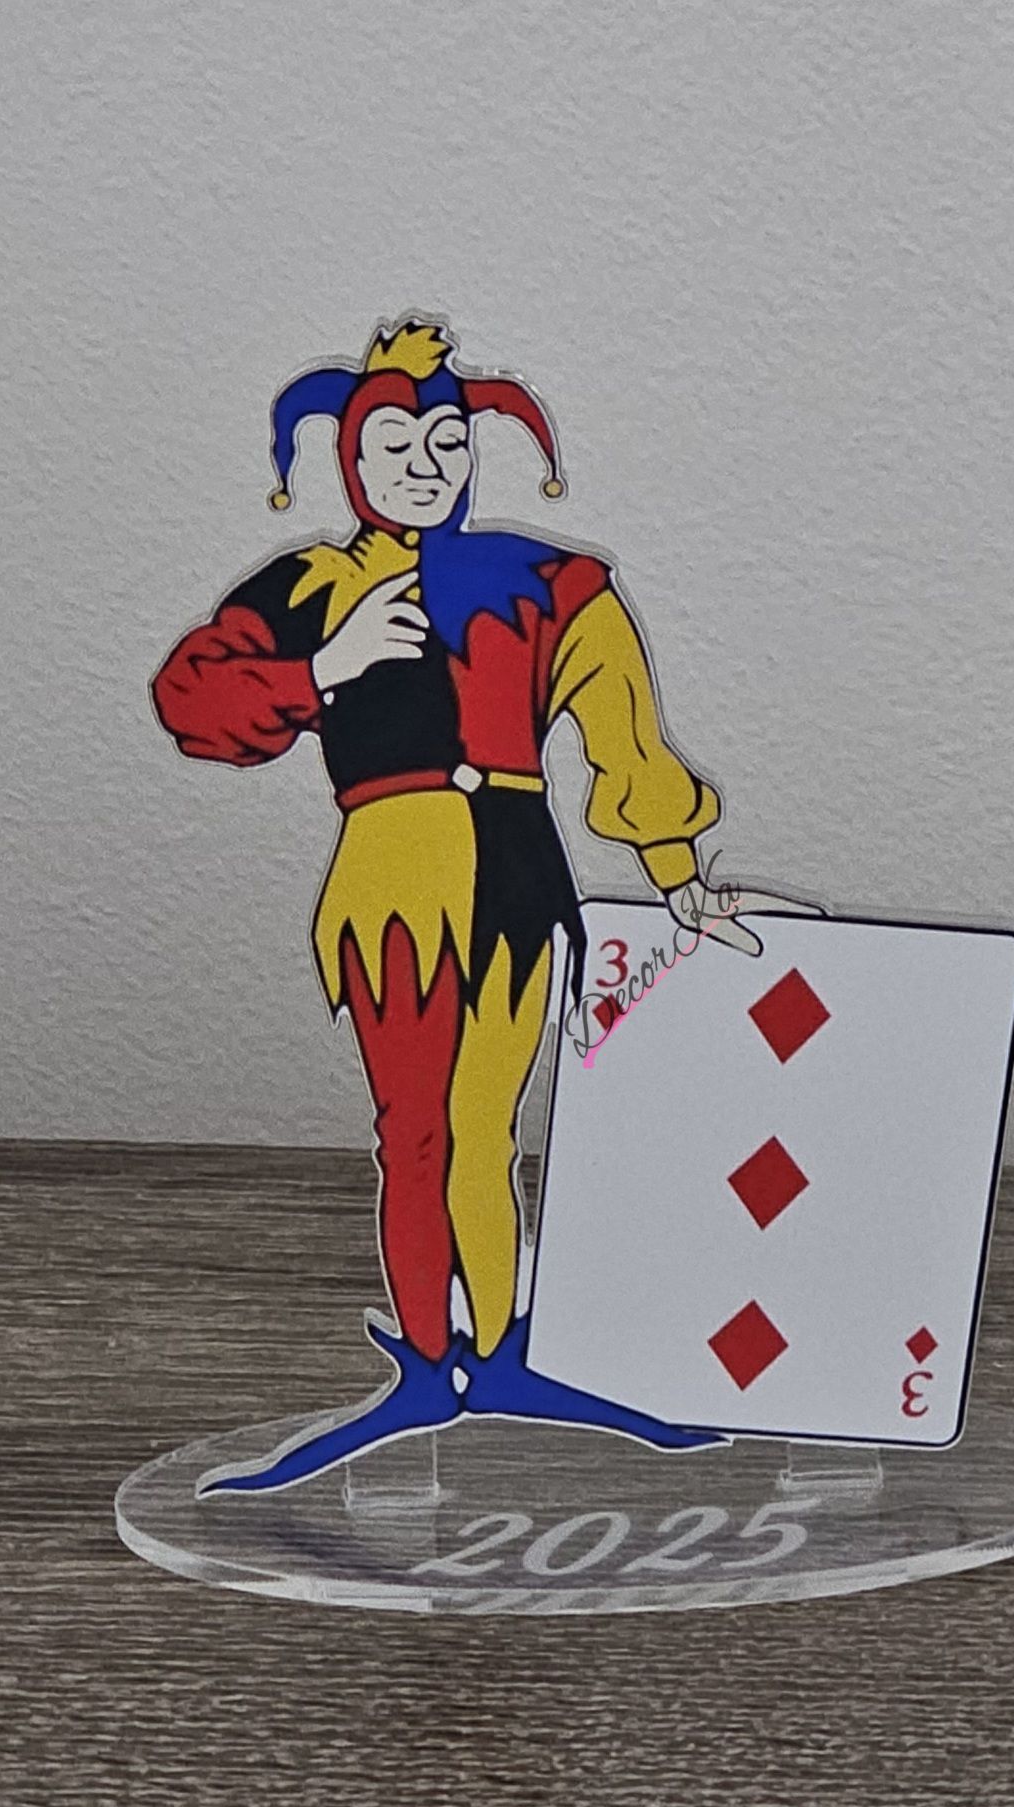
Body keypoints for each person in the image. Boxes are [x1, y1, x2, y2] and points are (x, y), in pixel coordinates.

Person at [150, 319, 795, 1490]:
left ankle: (496, 1353)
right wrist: (324, 668)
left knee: (490, 1129)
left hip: (517, 874)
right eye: (394, 443)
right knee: (413, 1131)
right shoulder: (309, 588)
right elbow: (193, 697)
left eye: (447, 441)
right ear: (351, 457)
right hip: (392, 882)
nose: (424, 464)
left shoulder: (547, 583)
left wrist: (676, 872)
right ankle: (427, 1360)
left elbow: (622, 725)